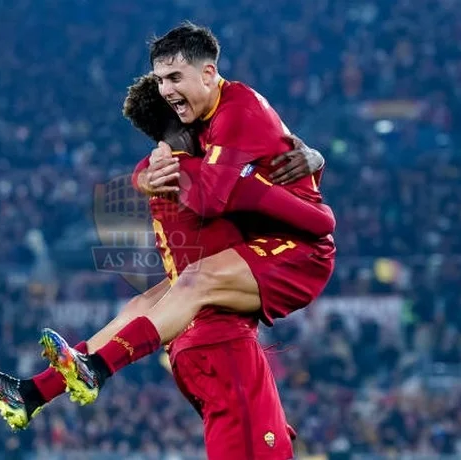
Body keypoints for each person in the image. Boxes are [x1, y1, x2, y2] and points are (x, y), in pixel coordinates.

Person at [0, 72, 327, 448]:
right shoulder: (207, 176)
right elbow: (316, 221)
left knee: (143, 302)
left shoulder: (157, 174)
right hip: (223, 345)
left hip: (185, 348)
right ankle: (96, 369)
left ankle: (34, 392)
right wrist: (315, 166)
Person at [38, 22, 336, 413]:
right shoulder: (203, 123)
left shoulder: (237, 111)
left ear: (209, 73)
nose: (167, 90)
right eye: (161, 80)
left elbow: (220, 200)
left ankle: (98, 367)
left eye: (175, 77)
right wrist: (146, 176)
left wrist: (160, 174)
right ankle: (36, 392)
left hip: (299, 251)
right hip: (267, 239)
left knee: (194, 281)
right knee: (146, 300)